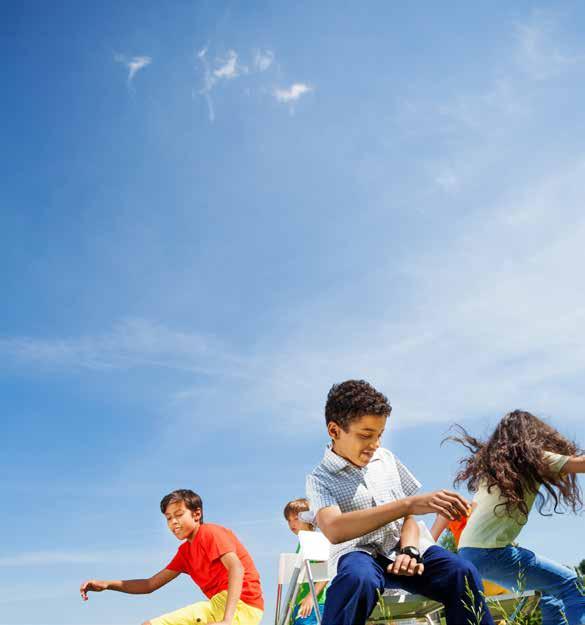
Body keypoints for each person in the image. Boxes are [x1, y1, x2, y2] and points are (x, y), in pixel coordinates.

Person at [306, 379, 495, 625]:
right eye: (366, 435)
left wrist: (410, 550)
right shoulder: (320, 478)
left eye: (380, 435)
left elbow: (408, 518)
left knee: (462, 573)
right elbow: (333, 528)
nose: (375, 445)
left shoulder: (385, 459)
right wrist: (408, 505)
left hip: (403, 549)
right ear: (334, 431)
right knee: (357, 579)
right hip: (359, 554)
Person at [443, 410, 585, 625]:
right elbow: (581, 464)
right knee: (569, 583)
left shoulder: (493, 470)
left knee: (548, 592)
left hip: (469, 551)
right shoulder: (535, 459)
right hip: (490, 552)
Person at [79, 489, 264, 625]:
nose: (173, 522)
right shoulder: (185, 553)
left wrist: (227, 620)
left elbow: (236, 568)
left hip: (242, 605)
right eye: (168, 518)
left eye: (178, 515)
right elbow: (149, 584)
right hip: (220, 605)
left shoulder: (209, 533)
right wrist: (107, 584)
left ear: (197, 514)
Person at [283, 498, 327, 625]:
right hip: (301, 601)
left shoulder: (314, 540)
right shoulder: (303, 542)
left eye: (296, 519)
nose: (292, 524)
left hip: (315, 602)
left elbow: (325, 572)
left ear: (309, 518)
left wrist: (310, 598)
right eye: (289, 520)